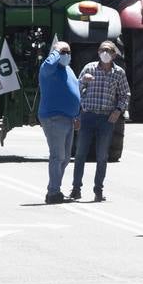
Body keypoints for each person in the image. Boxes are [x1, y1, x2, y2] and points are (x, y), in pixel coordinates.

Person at [71, 40, 130, 202]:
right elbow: (76, 89)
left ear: (114, 54)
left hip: (106, 119)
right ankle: (76, 188)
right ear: (98, 52)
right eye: (102, 50)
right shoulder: (89, 68)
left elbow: (125, 94)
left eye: (109, 50)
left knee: (102, 156)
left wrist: (118, 111)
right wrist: (83, 83)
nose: (105, 53)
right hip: (88, 116)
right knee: (80, 154)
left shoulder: (119, 73)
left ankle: (98, 190)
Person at [38, 40, 80, 204]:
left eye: (68, 52)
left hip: (69, 118)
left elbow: (75, 92)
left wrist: (77, 115)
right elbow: (48, 64)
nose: (66, 55)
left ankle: (55, 189)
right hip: (53, 117)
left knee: (65, 157)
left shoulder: (68, 70)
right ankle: (53, 192)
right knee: (58, 156)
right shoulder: (48, 69)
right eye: (63, 52)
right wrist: (56, 50)